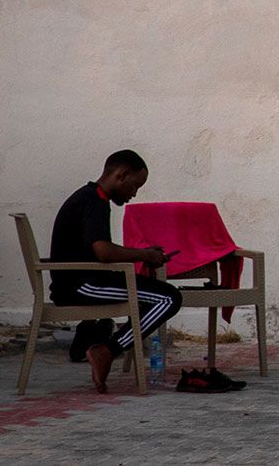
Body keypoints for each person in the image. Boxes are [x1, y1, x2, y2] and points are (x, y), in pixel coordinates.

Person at [49, 148, 180, 393]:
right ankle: (107, 350)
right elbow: (104, 252)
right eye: (135, 185)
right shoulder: (94, 201)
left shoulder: (90, 196)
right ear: (121, 175)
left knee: (154, 294)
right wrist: (144, 254)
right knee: (168, 298)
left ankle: (104, 346)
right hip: (81, 285)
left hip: (84, 280)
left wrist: (144, 257)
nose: (134, 193)